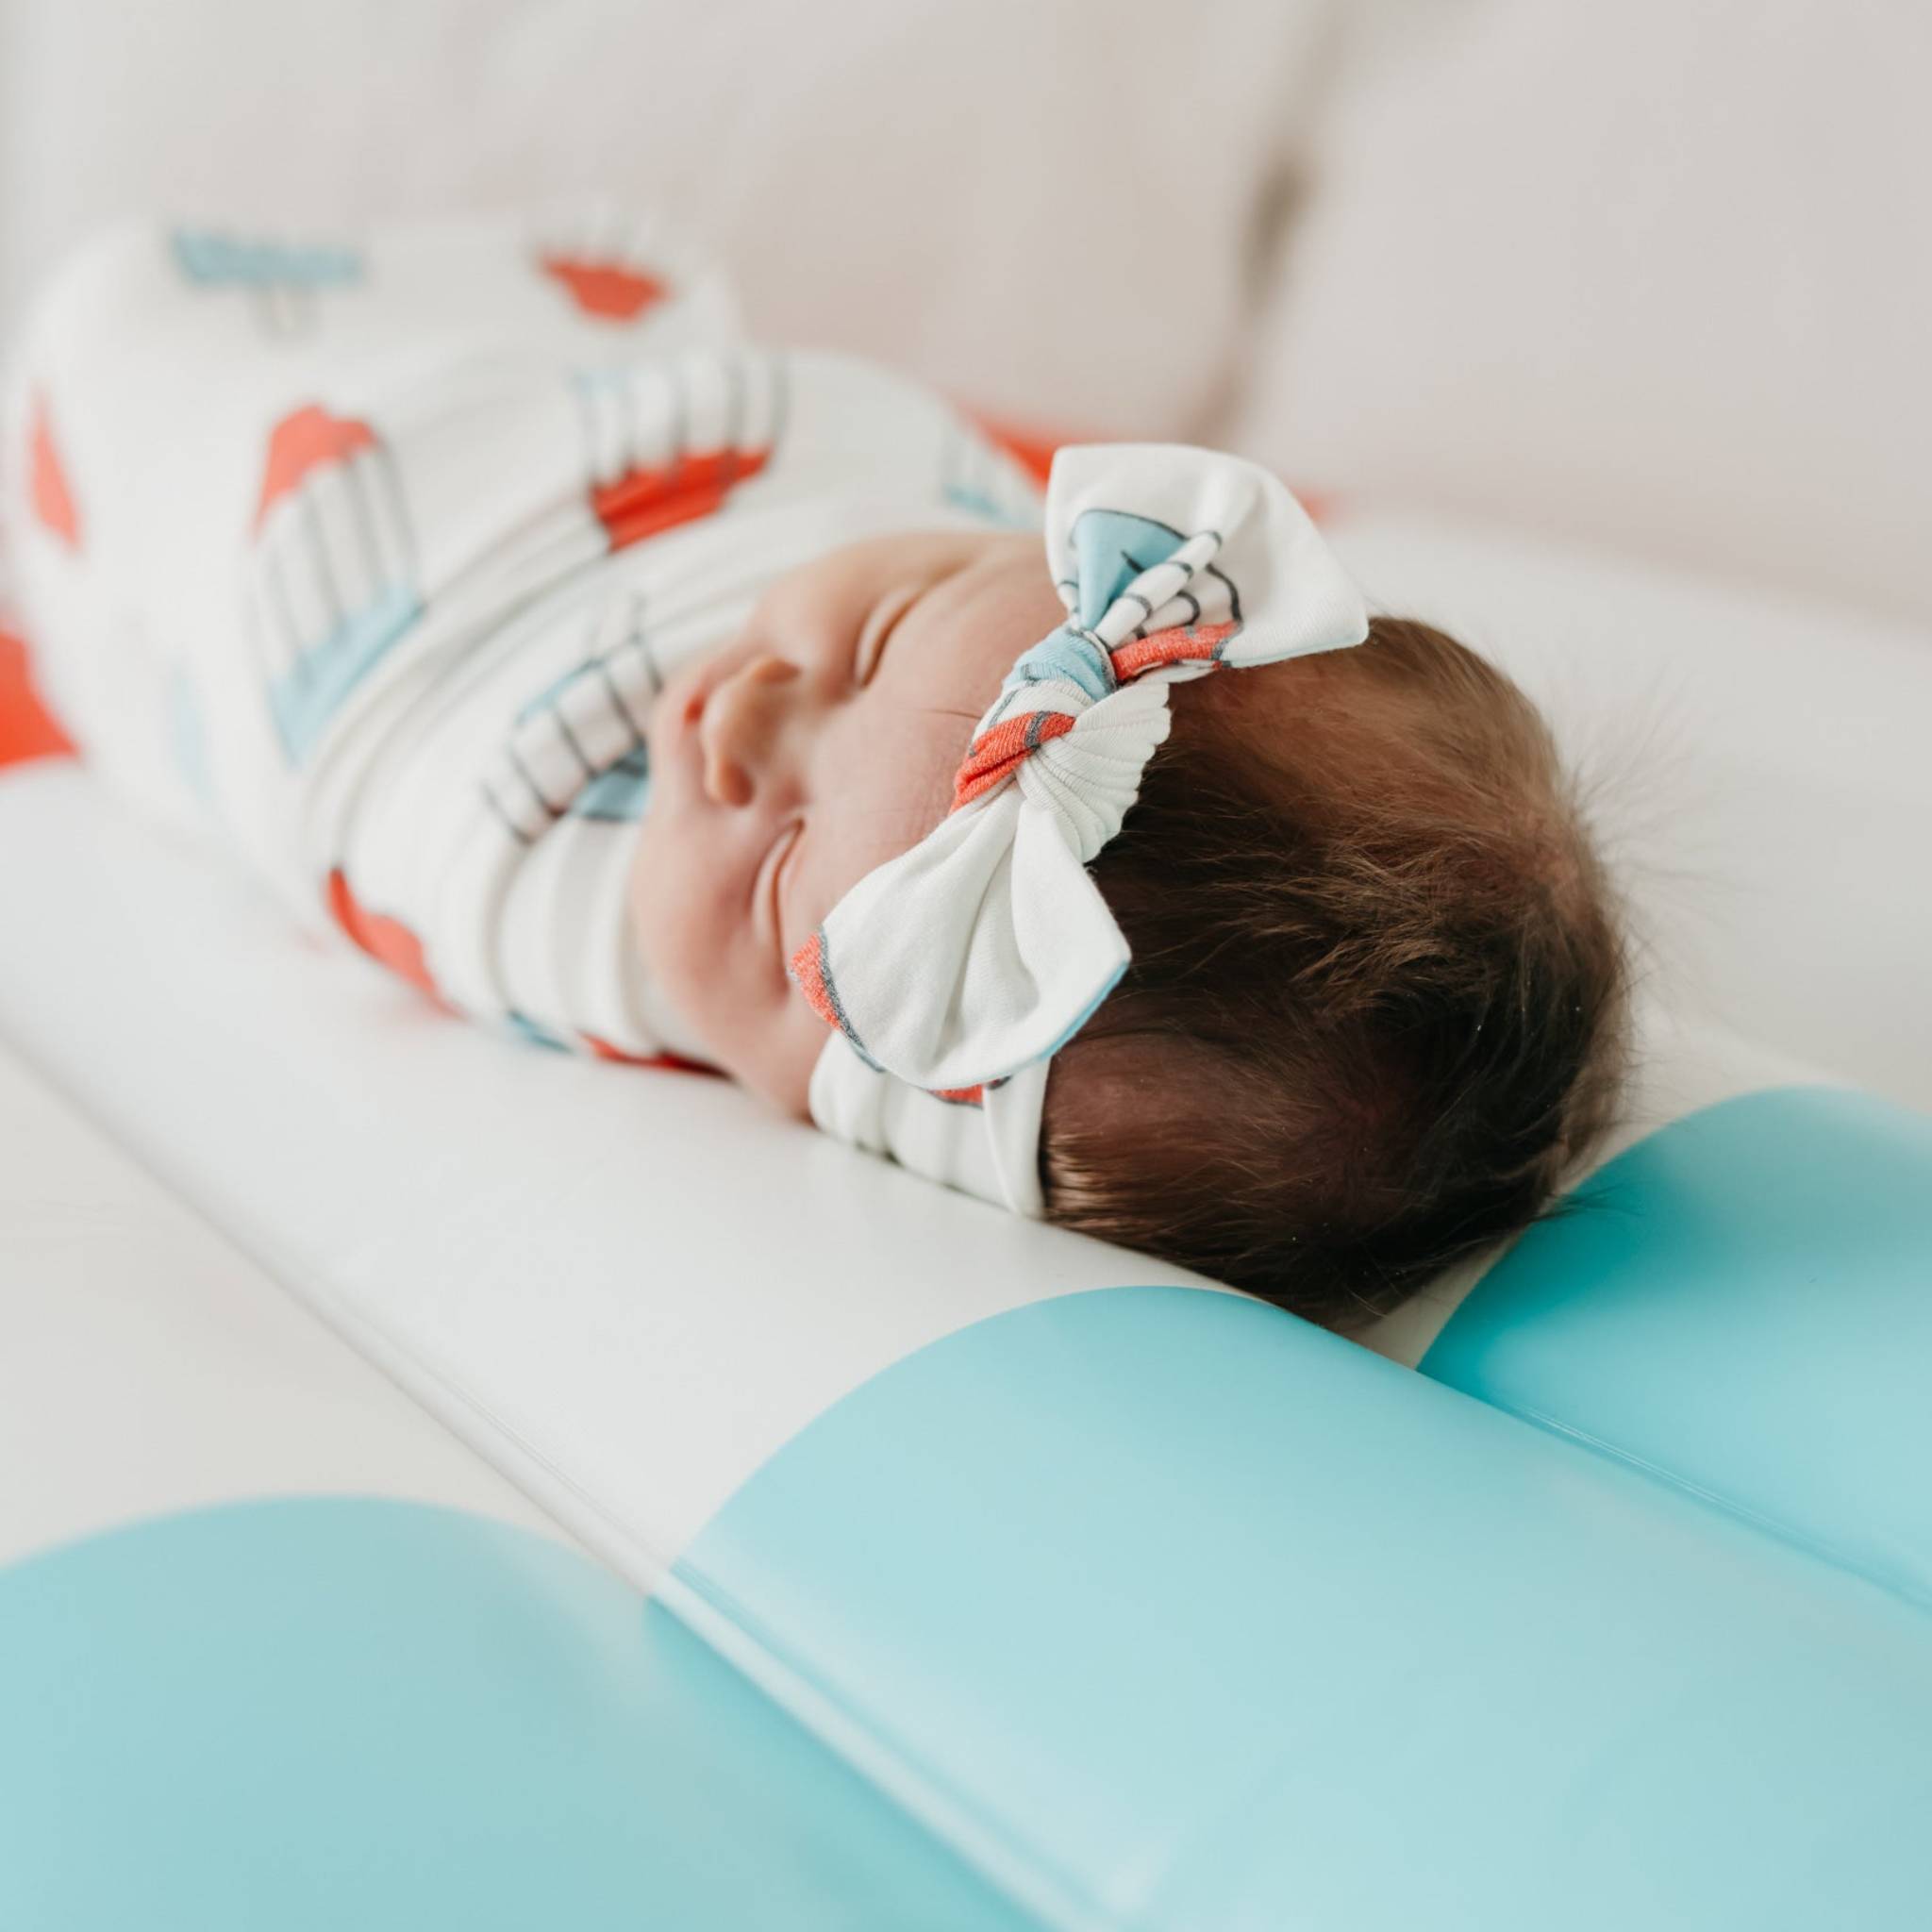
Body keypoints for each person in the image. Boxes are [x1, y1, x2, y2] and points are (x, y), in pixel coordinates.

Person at [2, 208, 1630, 1331]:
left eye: (783, 864)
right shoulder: (1018, 614)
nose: (739, 717)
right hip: (575, 430)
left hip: (353, 594)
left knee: (137, 384)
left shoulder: (532, 894)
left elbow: (358, 779)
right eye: (880, 632)